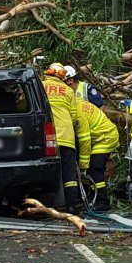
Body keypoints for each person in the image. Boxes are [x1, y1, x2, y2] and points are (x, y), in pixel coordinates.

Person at [43, 63, 84, 213]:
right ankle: (72, 205)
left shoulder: (40, 86)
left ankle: (49, 205)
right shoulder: (68, 90)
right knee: (69, 173)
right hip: (67, 137)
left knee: (48, 170)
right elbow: (74, 115)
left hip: (47, 138)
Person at [75, 97, 119, 211]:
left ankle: (102, 202)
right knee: (93, 169)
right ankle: (93, 198)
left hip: (105, 137)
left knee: (94, 169)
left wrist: (83, 165)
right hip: (100, 136)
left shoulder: (78, 113)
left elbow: (84, 140)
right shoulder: (77, 103)